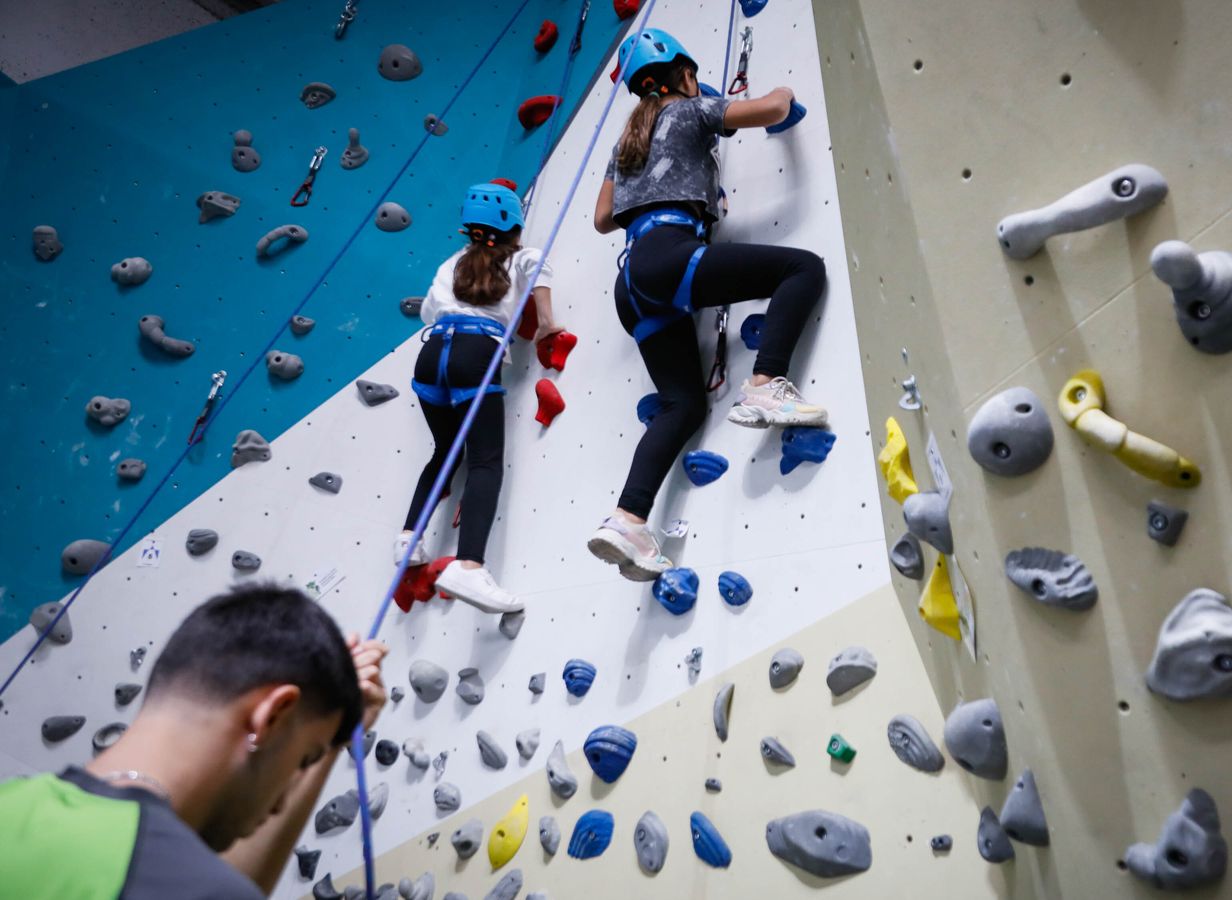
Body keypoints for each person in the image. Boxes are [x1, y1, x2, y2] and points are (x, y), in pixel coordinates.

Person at [587, 30, 828, 581]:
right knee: (802, 268)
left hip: (631, 283)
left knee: (682, 406)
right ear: (685, 75)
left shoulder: (626, 145)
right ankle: (767, 384)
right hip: (671, 255)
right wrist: (786, 93)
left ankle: (627, 520)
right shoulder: (692, 110)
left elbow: (603, 219)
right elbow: (770, 107)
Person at [0, 583, 387, 899]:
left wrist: (329, 738)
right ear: (270, 716)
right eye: (303, 759)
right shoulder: (189, 886)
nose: (282, 802)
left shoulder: (14, 806)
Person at [396, 180, 562, 613]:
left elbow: (427, 313)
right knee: (485, 460)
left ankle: (409, 539)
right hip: (477, 352)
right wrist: (546, 324)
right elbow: (540, 280)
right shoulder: (524, 257)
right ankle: (469, 566)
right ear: (514, 226)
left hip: (432, 355)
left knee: (446, 451)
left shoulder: (452, 264)